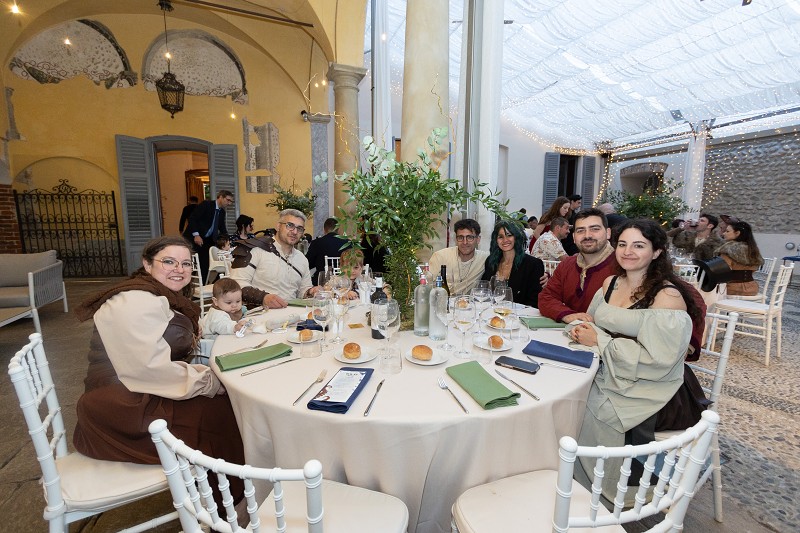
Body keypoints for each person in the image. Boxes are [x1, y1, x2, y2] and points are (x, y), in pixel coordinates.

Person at [72, 236, 244, 504]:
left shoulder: (158, 294)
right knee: (223, 415)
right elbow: (148, 368)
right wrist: (209, 382)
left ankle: (229, 495)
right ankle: (229, 506)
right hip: (123, 406)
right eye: (169, 262)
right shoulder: (132, 301)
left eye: (185, 263)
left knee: (228, 407)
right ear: (147, 264)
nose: (179, 269)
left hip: (146, 389)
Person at [568, 219, 706, 500]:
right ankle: (568, 475)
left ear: (657, 252)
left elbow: (658, 360)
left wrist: (600, 341)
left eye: (639, 246)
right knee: (568, 393)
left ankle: (603, 491)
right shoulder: (610, 283)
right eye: (622, 244)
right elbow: (593, 321)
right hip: (608, 367)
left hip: (651, 384)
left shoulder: (667, 297)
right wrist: (583, 328)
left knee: (592, 409)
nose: (628, 251)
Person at [539, 208, 618, 324]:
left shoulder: (621, 267)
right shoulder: (567, 265)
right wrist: (567, 315)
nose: (587, 235)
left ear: (608, 233)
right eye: (580, 231)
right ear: (574, 237)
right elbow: (546, 298)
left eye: (595, 229)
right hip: (568, 332)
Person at [231, 208, 317, 308]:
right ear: (278, 226)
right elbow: (236, 284)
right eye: (290, 225)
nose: (294, 231)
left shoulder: (302, 259)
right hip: (260, 313)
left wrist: (311, 291)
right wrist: (263, 298)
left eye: (300, 228)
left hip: (293, 314)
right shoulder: (254, 249)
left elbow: (303, 290)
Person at [480, 220, 545, 308]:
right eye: (500, 237)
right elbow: (484, 291)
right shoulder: (491, 261)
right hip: (492, 312)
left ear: (516, 237)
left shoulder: (532, 264)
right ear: (496, 240)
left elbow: (534, 301)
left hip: (521, 313)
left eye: (509, 235)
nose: (505, 240)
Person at [182, 190, 235, 281]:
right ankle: (186, 282)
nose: (229, 203)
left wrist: (228, 240)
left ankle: (204, 283)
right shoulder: (206, 205)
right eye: (228, 200)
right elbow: (192, 219)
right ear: (220, 197)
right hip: (193, 237)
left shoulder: (222, 212)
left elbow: (222, 228)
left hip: (207, 240)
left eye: (231, 201)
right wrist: (196, 235)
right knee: (191, 263)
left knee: (206, 263)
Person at [428, 218, 490, 296]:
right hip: (442, 301)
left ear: (478, 239)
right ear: (456, 239)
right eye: (460, 237)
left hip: (468, 303)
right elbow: (428, 286)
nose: (465, 242)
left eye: (469, 237)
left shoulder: (484, 258)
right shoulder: (440, 257)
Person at [716, 220, 764, 296]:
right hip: (752, 288)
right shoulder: (753, 249)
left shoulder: (727, 250)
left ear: (737, 233)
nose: (724, 233)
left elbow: (723, 271)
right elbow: (754, 269)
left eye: (727, 231)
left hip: (731, 289)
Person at [306, 217, 348, 285]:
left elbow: (308, 263)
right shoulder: (347, 243)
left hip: (321, 281)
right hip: (343, 280)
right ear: (338, 230)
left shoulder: (316, 243)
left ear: (324, 230)